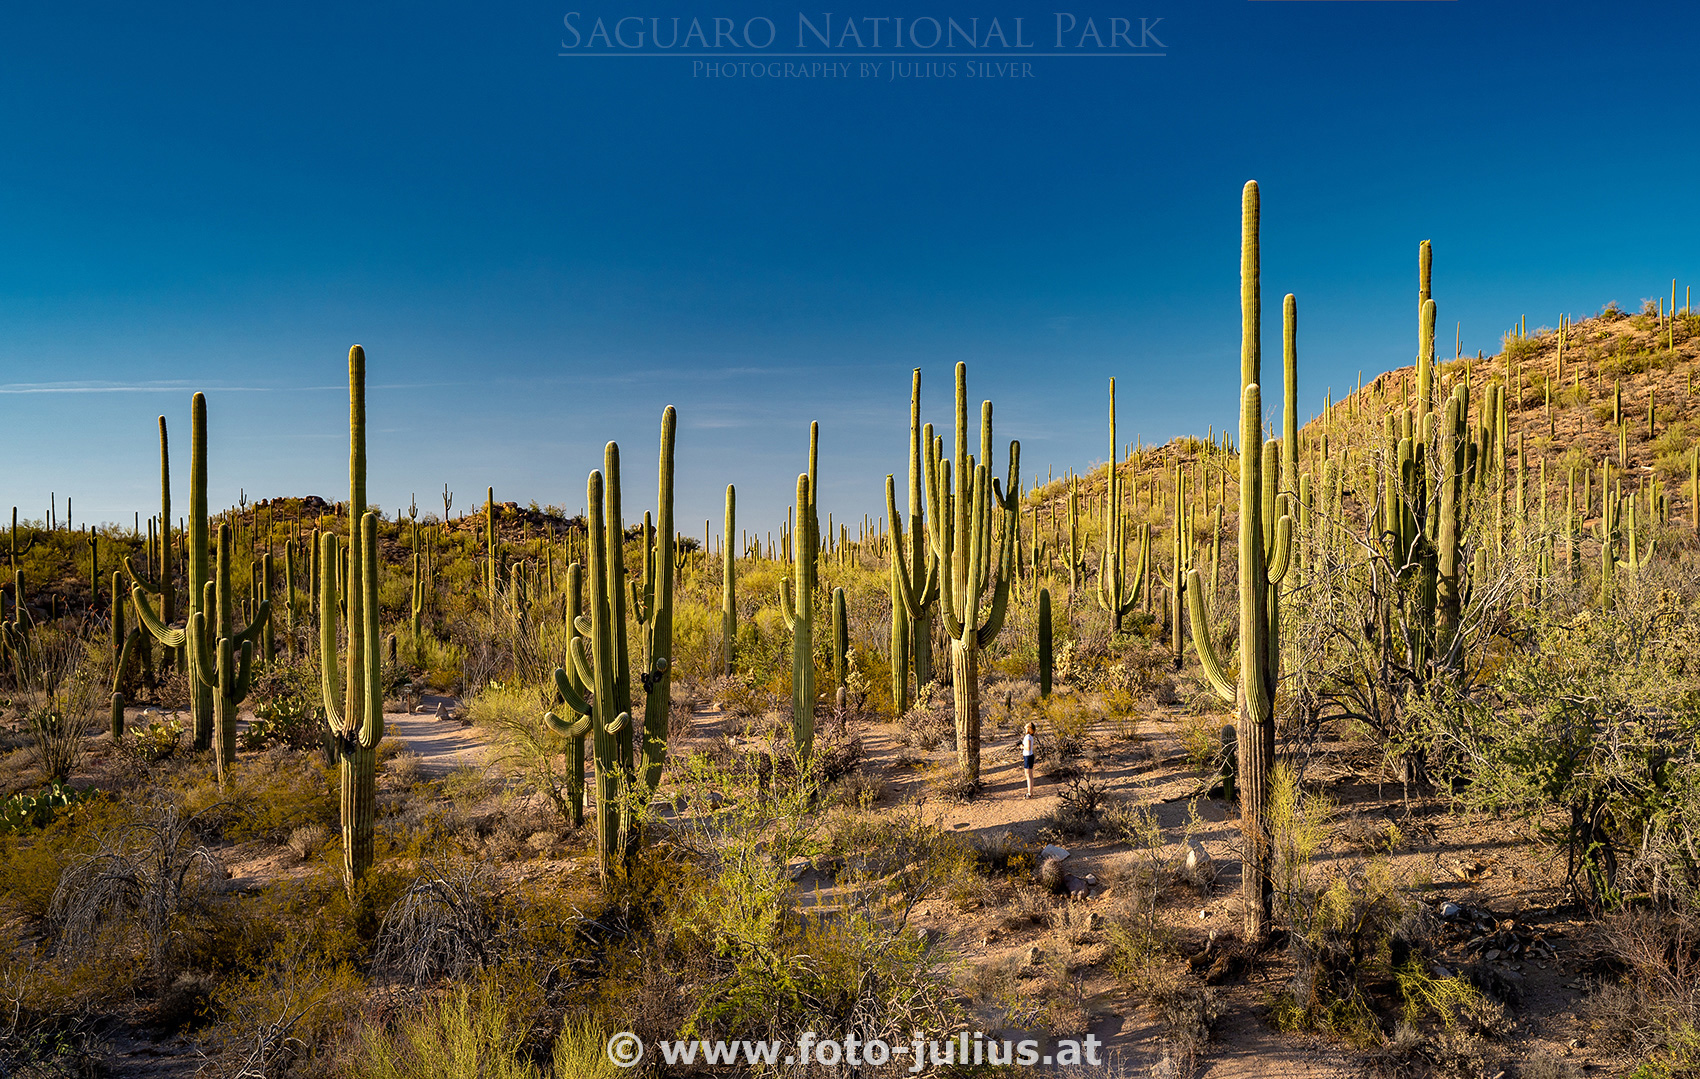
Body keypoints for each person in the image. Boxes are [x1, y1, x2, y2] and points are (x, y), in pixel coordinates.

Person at [1021, 722, 1038, 799]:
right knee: (1030, 775)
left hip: (1028, 757)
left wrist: (1022, 747)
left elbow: (1028, 747)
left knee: (1028, 775)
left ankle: (1029, 793)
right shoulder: (1030, 736)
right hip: (1029, 756)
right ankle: (1030, 792)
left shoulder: (1028, 737)